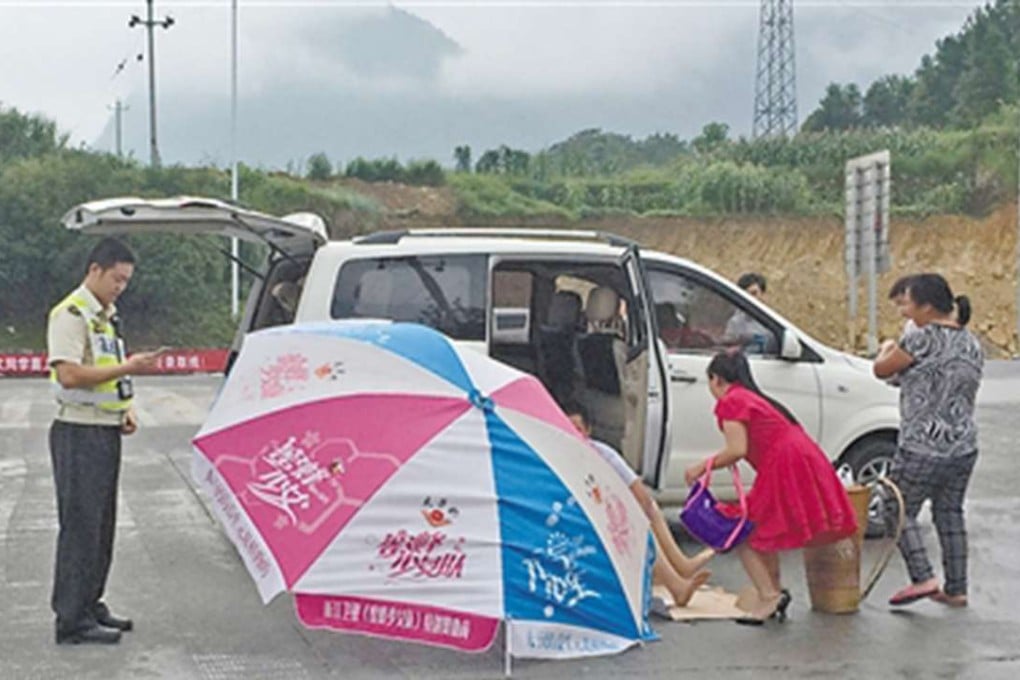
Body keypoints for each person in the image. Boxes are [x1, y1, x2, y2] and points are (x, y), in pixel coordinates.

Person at [684, 351, 857, 625]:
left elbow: (736, 450)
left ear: (716, 379)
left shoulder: (732, 401)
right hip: (800, 458)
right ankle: (773, 592)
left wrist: (701, 467)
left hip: (783, 464)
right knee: (764, 528)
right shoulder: (757, 398)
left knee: (746, 533)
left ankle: (769, 594)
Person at [47, 238, 161, 645]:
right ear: (95, 270)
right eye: (116, 279)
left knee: (101, 525)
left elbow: (109, 372)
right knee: (79, 526)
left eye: (126, 281)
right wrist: (130, 366)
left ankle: (90, 603)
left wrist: (124, 409)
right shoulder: (71, 315)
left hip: (104, 428)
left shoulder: (107, 318)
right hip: (77, 432)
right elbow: (70, 375)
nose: (121, 287)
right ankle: (71, 620)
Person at [873, 273, 983, 608]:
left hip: (923, 445)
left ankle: (922, 577)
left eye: (906, 303)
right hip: (963, 446)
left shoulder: (922, 339)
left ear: (927, 305)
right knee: (949, 513)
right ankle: (957, 588)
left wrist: (888, 348)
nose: (904, 312)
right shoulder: (972, 343)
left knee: (895, 507)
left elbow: (881, 370)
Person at [563, 401, 713, 607]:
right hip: (578, 515)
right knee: (635, 527)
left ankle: (681, 564)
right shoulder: (560, 457)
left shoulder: (603, 453)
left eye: (578, 429)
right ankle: (676, 585)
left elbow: (636, 488)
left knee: (648, 509)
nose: (573, 435)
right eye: (568, 429)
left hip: (601, 509)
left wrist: (641, 514)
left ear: (588, 431)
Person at [723, 273, 772, 351]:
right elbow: (728, 349)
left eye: (754, 293)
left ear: (763, 294)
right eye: (746, 295)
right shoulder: (735, 322)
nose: (750, 299)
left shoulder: (773, 321)